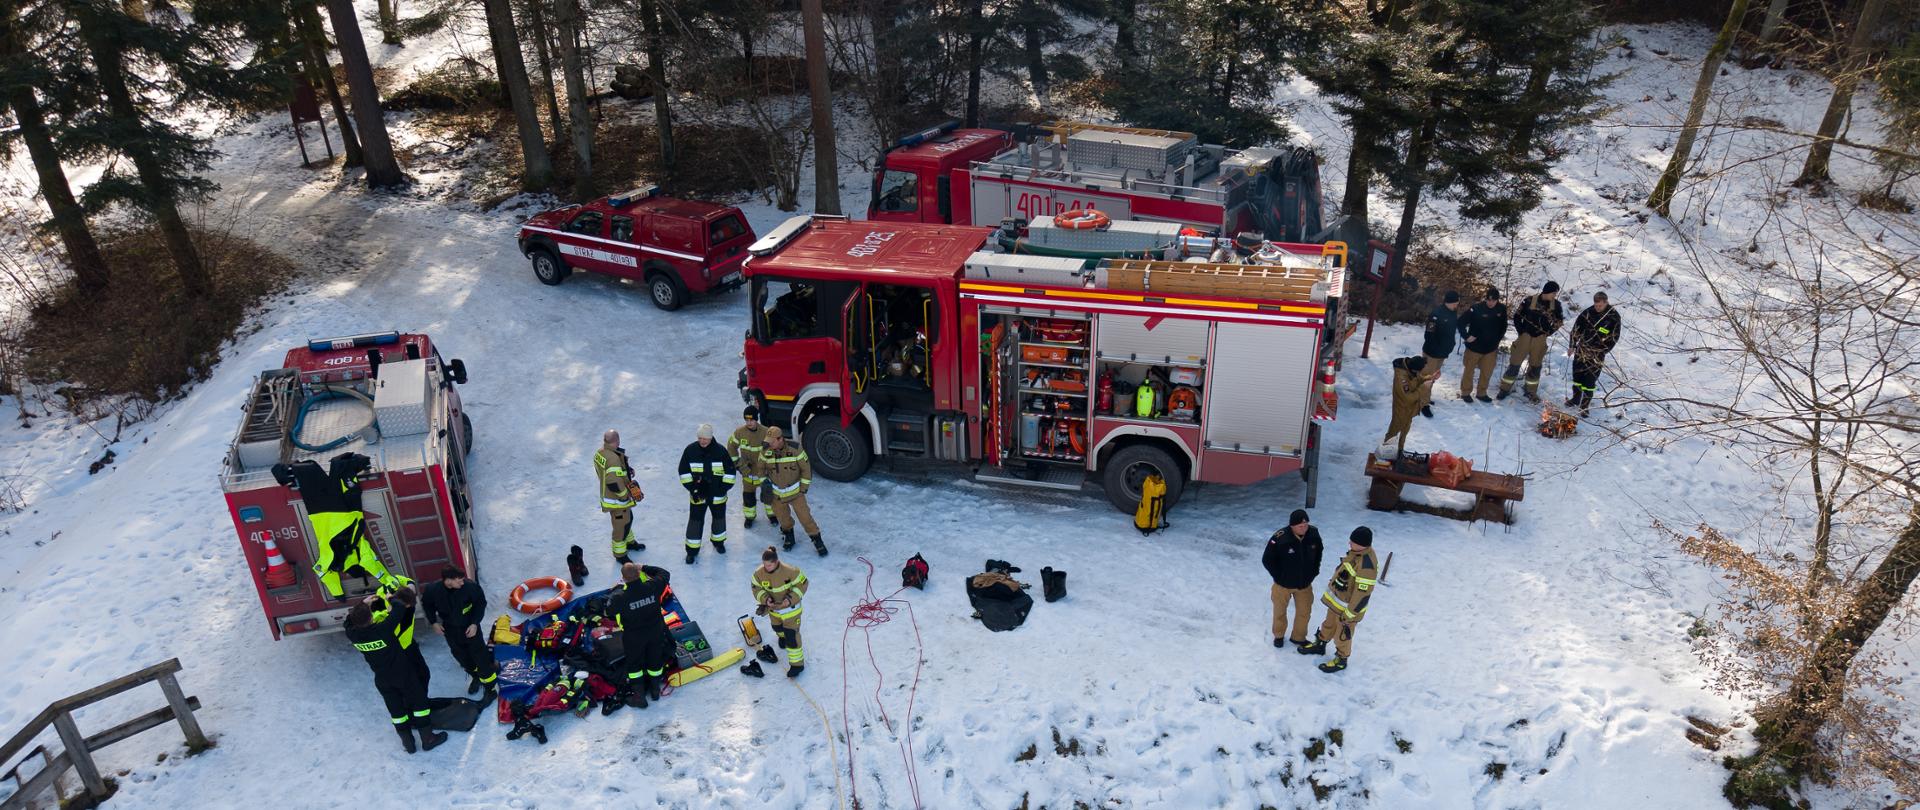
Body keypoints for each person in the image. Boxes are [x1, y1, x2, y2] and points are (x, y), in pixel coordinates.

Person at [344, 583, 447, 752]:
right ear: (371, 618)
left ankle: (408, 744)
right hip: (403, 674)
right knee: (419, 703)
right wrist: (389, 598)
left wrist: (362, 605)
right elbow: (398, 609)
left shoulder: (353, 634)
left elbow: (348, 621)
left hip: (382, 679)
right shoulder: (383, 630)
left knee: (396, 711)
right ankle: (428, 739)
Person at [1299, 527, 1380, 674]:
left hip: (1348, 611)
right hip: (1338, 603)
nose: (1349, 543)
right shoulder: (1356, 553)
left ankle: (1341, 659)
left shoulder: (1367, 566)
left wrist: (1349, 615)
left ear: (1362, 544)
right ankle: (1320, 644)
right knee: (1328, 624)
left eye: (1353, 542)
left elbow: (1362, 595)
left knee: (1342, 636)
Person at [422, 566, 498, 701]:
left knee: (481, 658)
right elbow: (427, 604)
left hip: (470, 627)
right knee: (462, 657)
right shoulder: (433, 590)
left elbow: (480, 603)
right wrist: (433, 622)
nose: (462, 583)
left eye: (463, 580)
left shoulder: (470, 587)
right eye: (459, 581)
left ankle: (490, 689)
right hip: (451, 630)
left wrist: (474, 623)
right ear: (448, 580)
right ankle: (476, 677)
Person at [608, 562, 674, 708]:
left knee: (634, 664)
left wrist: (614, 595)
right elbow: (664, 573)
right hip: (655, 631)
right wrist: (643, 567)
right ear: (639, 574)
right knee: (655, 659)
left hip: (634, 637)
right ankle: (655, 691)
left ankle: (639, 697)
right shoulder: (653, 587)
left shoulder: (620, 597)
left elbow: (609, 611)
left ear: (624, 579)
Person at [759, 427, 828, 556]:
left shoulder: (795, 449)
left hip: (796, 494)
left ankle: (817, 540)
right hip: (777, 495)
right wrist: (764, 483)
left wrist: (803, 489)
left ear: (780, 439)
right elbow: (760, 469)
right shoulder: (765, 451)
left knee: (805, 518)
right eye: (768, 441)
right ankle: (789, 536)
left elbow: (806, 469)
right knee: (783, 518)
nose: (770, 444)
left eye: (772, 441)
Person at [1262, 510, 1324, 649]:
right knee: (1279, 611)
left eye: (1306, 524)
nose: (1304, 528)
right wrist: (1279, 576)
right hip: (1283, 585)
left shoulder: (1313, 534)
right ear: (1292, 526)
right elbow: (1267, 559)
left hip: (1304, 585)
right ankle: (1279, 635)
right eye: (1300, 526)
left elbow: (1319, 553)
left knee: (1304, 612)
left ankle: (1298, 637)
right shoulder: (1281, 538)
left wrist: (1314, 571)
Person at [677, 424, 737, 563]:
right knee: (695, 522)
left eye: (705, 438)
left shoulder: (721, 451)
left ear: (711, 438)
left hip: (717, 496)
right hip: (698, 496)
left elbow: (730, 472)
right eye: (700, 438)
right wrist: (693, 489)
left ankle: (718, 542)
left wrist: (722, 489)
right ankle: (692, 551)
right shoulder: (690, 450)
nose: (702, 441)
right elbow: (684, 472)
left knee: (719, 519)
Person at [1498, 281, 1565, 403]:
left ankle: (1531, 392)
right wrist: (1521, 332)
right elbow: (1517, 316)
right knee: (1515, 364)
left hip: (1540, 339)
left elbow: (1559, 322)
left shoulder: (1556, 305)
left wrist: (1548, 332)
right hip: (1525, 336)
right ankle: (1504, 389)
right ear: (1547, 291)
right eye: (1553, 293)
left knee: (1535, 366)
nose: (1555, 295)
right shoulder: (1529, 301)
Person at [752, 547, 810, 677]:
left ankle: (797, 666)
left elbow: (803, 584)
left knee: (792, 637)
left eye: (769, 565)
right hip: (774, 611)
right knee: (777, 628)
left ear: (776, 562)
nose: (766, 567)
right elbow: (756, 588)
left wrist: (789, 600)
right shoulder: (758, 573)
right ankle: (782, 637)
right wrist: (765, 599)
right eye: (764, 564)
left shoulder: (791, 571)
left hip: (791, 611)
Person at [1566, 292, 1621, 417]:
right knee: (1577, 377)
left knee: (1590, 381)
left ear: (1606, 302)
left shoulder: (1613, 317)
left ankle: (1584, 406)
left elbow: (1614, 337)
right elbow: (1576, 329)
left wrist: (1602, 351)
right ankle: (1575, 398)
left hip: (1597, 354)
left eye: (1600, 306)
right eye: (1596, 305)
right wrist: (1572, 345)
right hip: (1582, 350)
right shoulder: (1588, 313)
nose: (1597, 308)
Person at [594, 430, 642, 565]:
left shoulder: (600, 453)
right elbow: (613, 482)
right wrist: (625, 495)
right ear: (617, 441)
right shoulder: (613, 459)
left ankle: (630, 542)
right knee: (620, 527)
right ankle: (620, 555)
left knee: (627, 519)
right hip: (617, 501)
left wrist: (627, 470)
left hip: (610, 497)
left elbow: (608, 472)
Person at [1456, 287, 1508, 403]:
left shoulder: (1501, 309)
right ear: (1486, 299)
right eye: (1488, 300)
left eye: (1493, 300)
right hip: (1474, 347)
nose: (1491, 303)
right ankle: (1465, 392)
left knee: (1487, 372)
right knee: (1469, 371)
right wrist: (1466, 336)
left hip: (1490, 349)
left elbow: (1503, 326)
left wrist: (1497, 339)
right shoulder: (1476, 308)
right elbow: (1460, 322)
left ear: (1497, 300)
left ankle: (1482, 393)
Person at [1382, 356, 1439, 457]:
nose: (1419, 373)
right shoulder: (1401, 378)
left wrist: (1431, 378)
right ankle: (1385, 453)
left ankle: (1400, 450)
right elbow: (1408, 397)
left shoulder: (1411, 368)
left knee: (1405, 430)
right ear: (1414, 369)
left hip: (1410, 408)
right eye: (1419, 371)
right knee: (1394, 430)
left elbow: (1419, 379)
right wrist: (1423, 388)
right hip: (1402, 407)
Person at [728, 407, 770, 529]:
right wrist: (739, 464)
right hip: (748, 473)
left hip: (763, 473)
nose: (749, 423)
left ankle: (773, 515)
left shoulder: (766, 432)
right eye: (746, 420)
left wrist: (769, 467)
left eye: (751, 420)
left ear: (756, 419)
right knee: (748, 498)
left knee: (769, 496)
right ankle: (749, 517)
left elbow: (773, 450)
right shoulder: (739, 432)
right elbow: (731, 447)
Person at [1421, 290, 1462, 381]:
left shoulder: (1453, 313)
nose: (1457, 305)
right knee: (1425, 379)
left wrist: (1451, 345)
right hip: (1432, 354)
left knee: (1432, 379)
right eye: (1456, 303)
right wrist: (1435, 349)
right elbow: (1428, 334)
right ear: (1450, 302)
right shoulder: (1436, 315)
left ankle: (1428, 390)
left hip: (1442, 353)